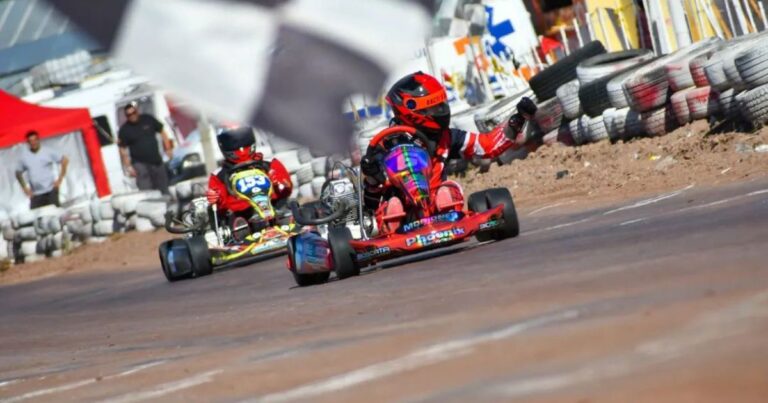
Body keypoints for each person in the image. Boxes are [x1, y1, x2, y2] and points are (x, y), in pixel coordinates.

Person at [360, 71, 536, 232]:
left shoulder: (446, 137)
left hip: (438, 207)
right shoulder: (384, 145)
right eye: (434, 108)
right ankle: (393, 225)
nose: (441, 111)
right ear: (412, 110)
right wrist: (372, 177)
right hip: (402, 215)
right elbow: (371, 198)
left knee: (447, 191)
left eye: (441, 105)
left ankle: (446, 215)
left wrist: (519, 119)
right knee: (393, 205)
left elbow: (487, 145)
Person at [205, 127, 293, 221]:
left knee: (288, 205)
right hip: (242, 218)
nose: (239, 144)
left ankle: (287, 220)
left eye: (242, 138)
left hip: (274, 208)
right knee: (224, 214)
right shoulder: (219, 176)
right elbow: (219, 204)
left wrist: (278, 184)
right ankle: (241, 228)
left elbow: (286, 189)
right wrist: (216, 198)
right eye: (233, 140)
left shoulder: (270, 164)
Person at [118, 103, 174, 194]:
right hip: (140, 164)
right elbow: (122, 149)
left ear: (137, 111)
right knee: (147, 192)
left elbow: (162, 132)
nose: (132, 116)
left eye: (134, 113)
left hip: (156, 160)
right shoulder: (124, 130)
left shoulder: (148, 119)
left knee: (164, 189)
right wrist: (128, 167)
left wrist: (168, 148)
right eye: (129, 115)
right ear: (126, 116)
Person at [15, 131, 69, 209]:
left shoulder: (47, 151)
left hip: (51, 190)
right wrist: (25, 188)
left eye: (35, 140)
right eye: (30, 141)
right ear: (28, 143)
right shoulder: (25, 157)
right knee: (37, 216)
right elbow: (18, 173)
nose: (33, 143)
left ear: (38, 140)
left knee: (55, 213)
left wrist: (60, 179)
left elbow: (65, 160)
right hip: (36, 194)